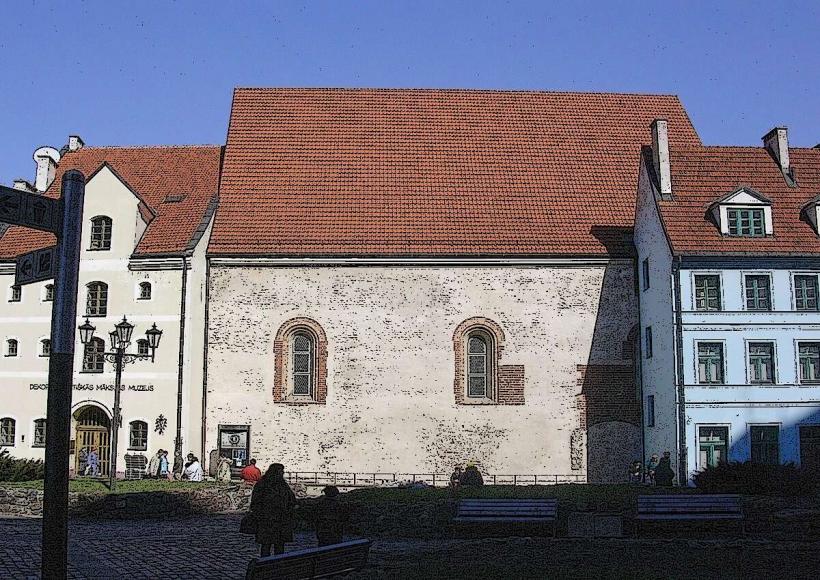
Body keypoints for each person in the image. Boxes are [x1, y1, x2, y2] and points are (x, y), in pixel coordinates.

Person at [250, 463, 296, 557]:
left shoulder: (280, 485)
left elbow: (291, 500)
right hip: (268, 519)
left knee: (276, 546)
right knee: (268, 545)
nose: (283, 473)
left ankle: (275, 564)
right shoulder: (267, 484)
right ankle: (268, 564)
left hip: (278, 520)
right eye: (281, 471)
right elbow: (256, 502)